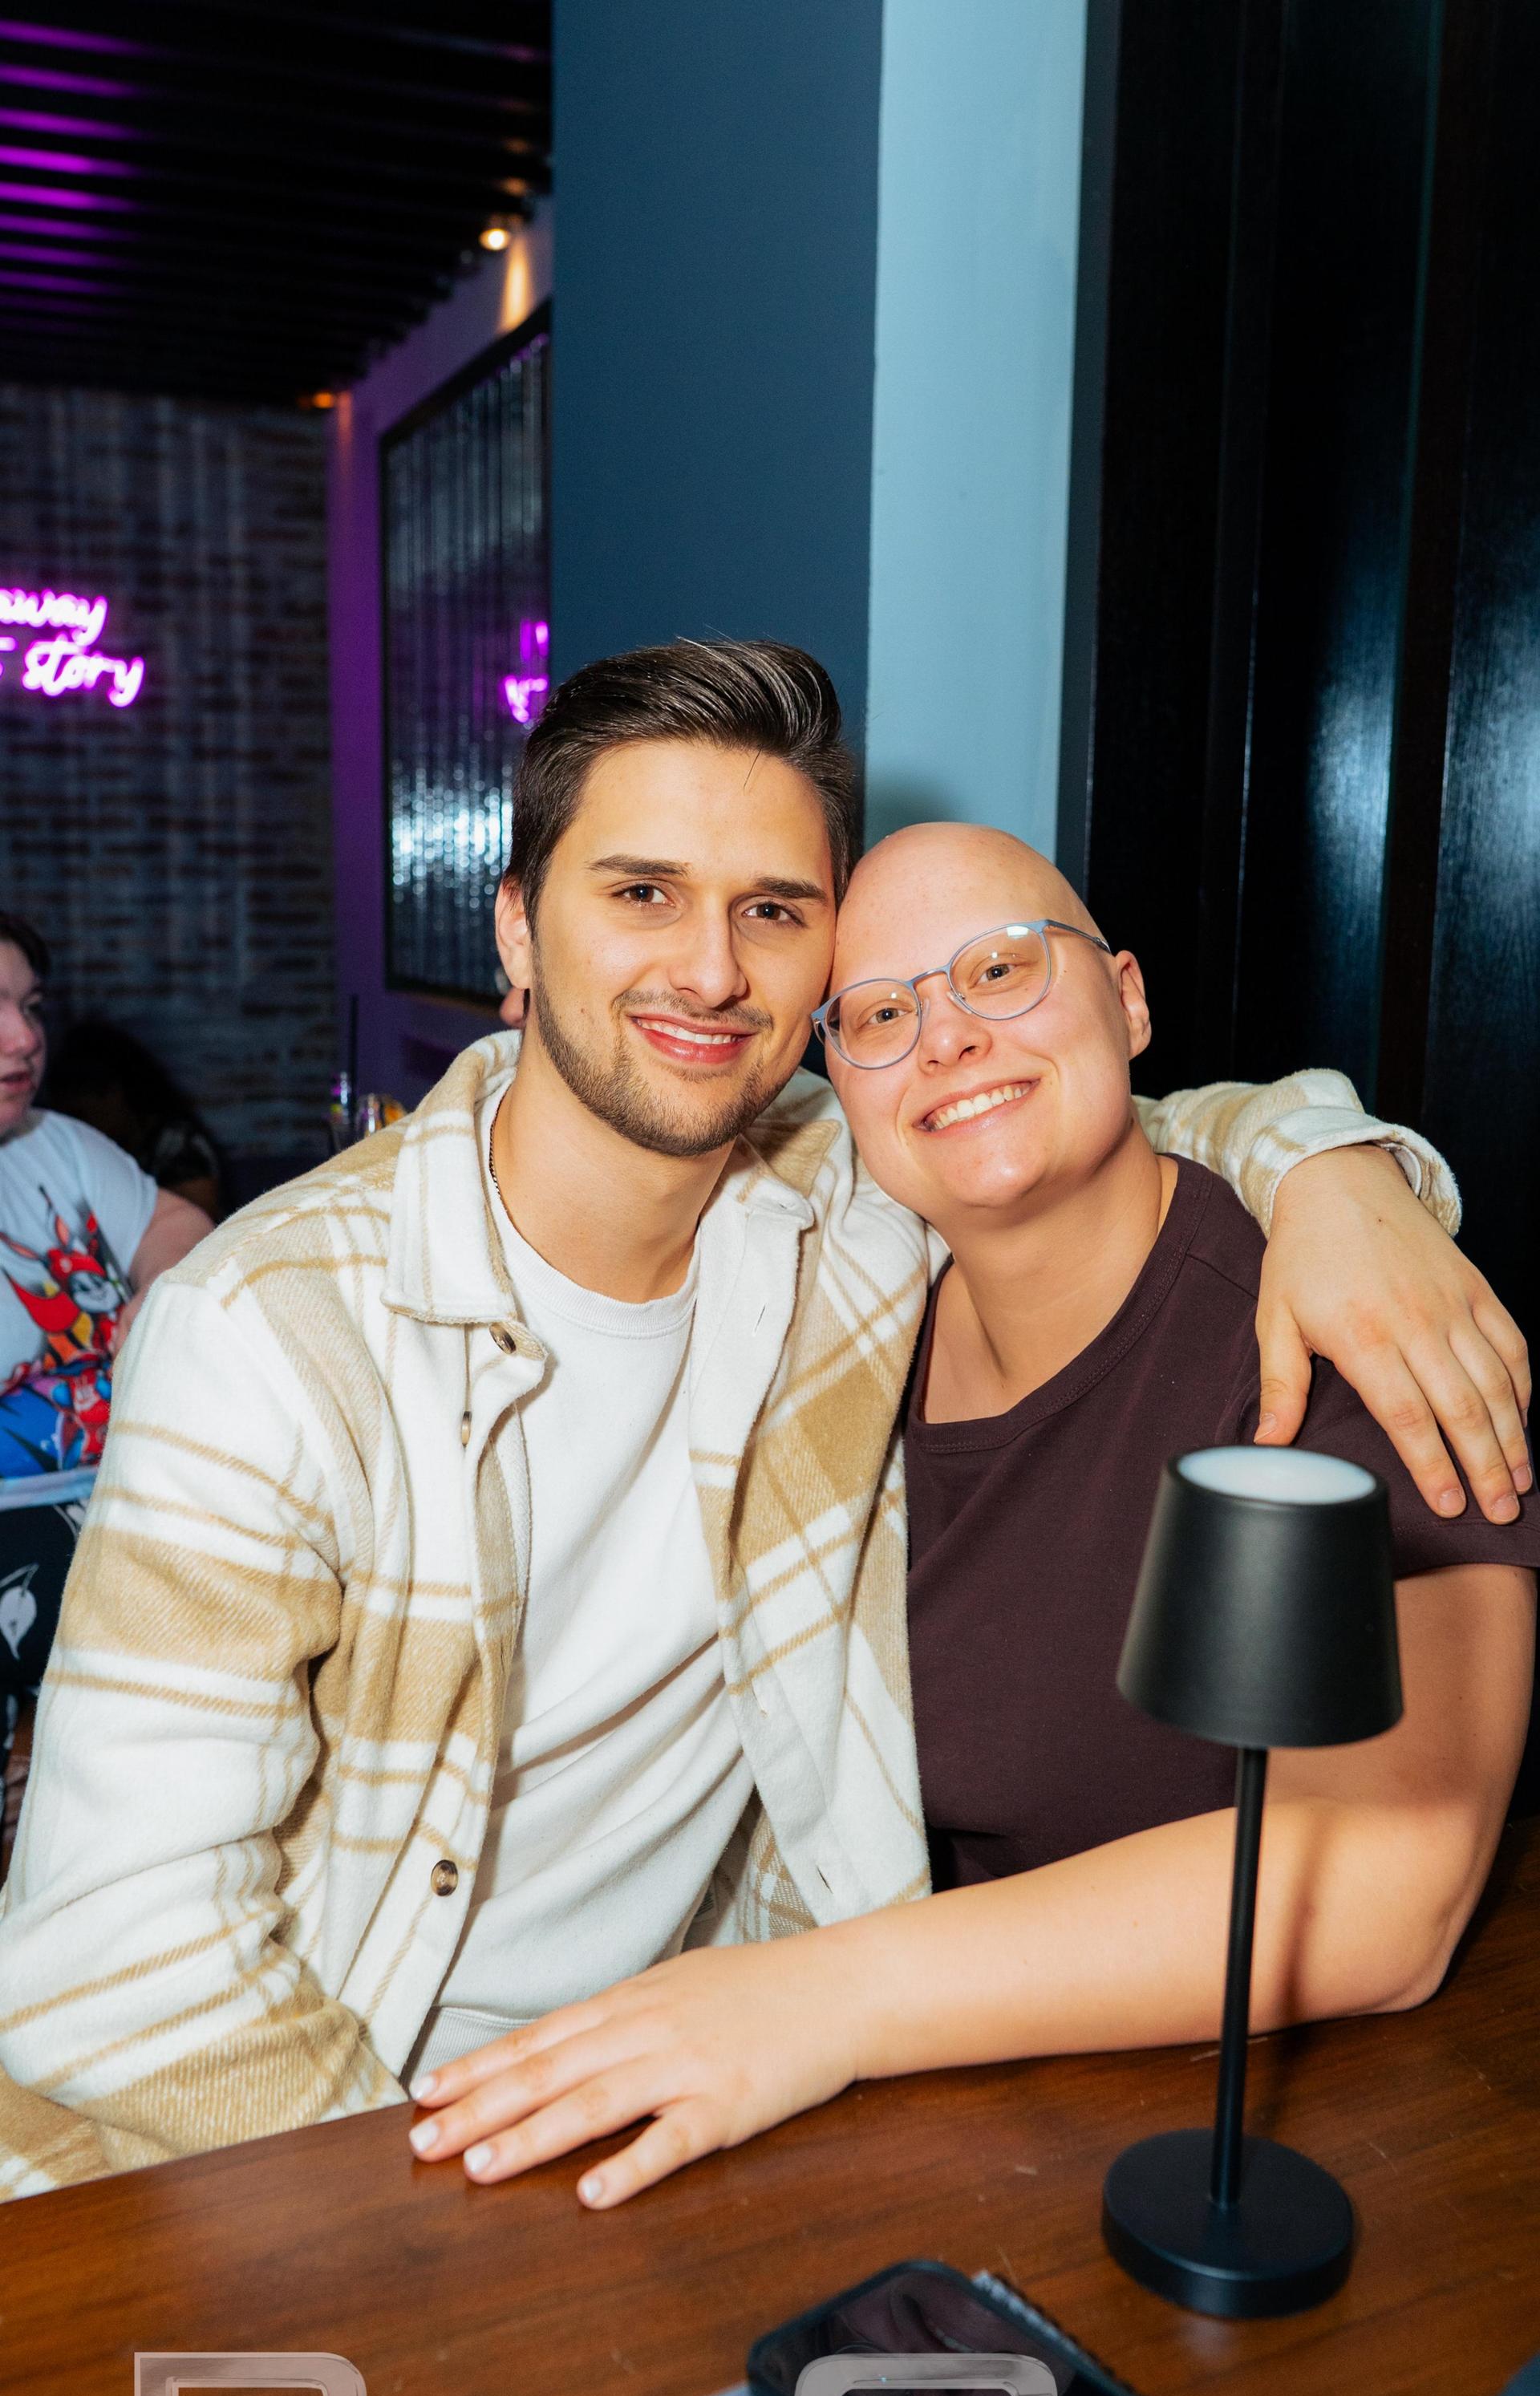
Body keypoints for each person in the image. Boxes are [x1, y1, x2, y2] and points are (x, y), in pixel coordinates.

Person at [0, 647, 1526, 2198]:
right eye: (642, 893)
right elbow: (116, 1960)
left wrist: (1339, 1168)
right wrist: (441, 2232)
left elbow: (1073, 1130)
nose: (714, 970)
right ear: (518, 923)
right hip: (319, 2145)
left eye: (776, 912)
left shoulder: (837, 1205)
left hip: (721, 2105)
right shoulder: (272, 1332)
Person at [404, 823, 1538, 2208]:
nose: (944, 1037)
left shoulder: (1336, 1325)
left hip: (1265, 2156)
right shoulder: (839, 1318)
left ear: (1127, 996)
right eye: (879, 1013)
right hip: (930, 2134)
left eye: (1002, 968)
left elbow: (1390, 1880)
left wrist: (812, 2000)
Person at [0, 916, 211, 1855]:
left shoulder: (58, 1146)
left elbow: (177, 1222)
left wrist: (153, 1302)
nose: (25, 1037)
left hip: (117, 1513)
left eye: (30, 1006)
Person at [48, 1017, 222, 1221]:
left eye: (81, 1115)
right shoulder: (91, 1151)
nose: (79, 1128)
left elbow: (199, 1223)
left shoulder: (178, 1146)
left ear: (115, 1093)